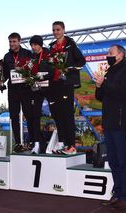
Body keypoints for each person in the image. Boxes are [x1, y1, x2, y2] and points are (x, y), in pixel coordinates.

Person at [94, 45, 126, 210]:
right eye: (107, 53)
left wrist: (105, 83)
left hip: (122, 121)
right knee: (113, 159)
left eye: (110, 53)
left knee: (123, 159)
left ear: (120, 54)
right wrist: (99, 85)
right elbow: (101, 96)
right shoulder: (111, 70)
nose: (108, 56)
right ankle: (118, 192)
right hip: (109, 121)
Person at [49, 21, 86, 155]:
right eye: (53, 30)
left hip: (66, 83)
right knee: (57, 115)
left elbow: (81, 61)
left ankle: (71, 145)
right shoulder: (51, 46)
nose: (55, 32)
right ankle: (62, 143)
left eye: (58, 29)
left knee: (67, 115)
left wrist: (70, 69)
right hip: (55, 84)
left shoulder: (70, 44)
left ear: (63, 30)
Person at [0, 32, 34, 153]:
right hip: (13, 91)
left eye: (14, 41)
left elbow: (33, 69)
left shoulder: (27, 53)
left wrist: (23, 69)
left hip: (26, 89)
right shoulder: (7, 56)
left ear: (19, 41)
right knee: (14, 116)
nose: (12, 44)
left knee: (29, 115)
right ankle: (18, 142)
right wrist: (0, 82)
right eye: (10, 42)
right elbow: (5, 75)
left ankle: (31, 141)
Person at [29, 35, 54, 154]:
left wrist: (43, 76)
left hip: (49, 88)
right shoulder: (31, 57)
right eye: (31, 45)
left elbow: (53, 71)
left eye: (35, 45)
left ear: (40, 44)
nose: (33, 47)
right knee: (35, 116)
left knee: (55, 113)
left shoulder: (48, 54)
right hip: (36, 90)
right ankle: (37, 143)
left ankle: (59, 142)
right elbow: (28, 72)